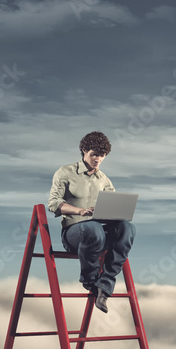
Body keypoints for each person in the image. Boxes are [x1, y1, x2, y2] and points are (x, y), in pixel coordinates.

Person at [47, 131, 135, 313]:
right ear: (84, 150)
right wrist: (80, 211)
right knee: (92, 228)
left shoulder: (104, 179)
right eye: (94, 154)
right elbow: (54, 204)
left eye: (102, 156)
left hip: (99, 233)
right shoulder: (65, 172)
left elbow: (114, 207)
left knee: (127, 227)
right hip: (74, 234)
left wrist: (116, 213)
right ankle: (89, 280)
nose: (98, 159)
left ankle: (105, 284)